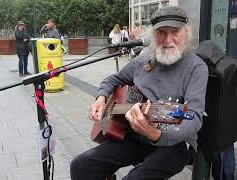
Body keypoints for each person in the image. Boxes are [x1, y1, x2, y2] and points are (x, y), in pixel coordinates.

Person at [70, 6, 209, 180]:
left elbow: (193, 118)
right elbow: (112, 80)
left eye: (175, 31)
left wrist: (156, 135)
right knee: (81, 166)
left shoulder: (196, 68)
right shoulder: (143, 60)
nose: (168, 39)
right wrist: (101, 98)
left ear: (186, 33)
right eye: (161, 32)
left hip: (173, 144)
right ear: (152, 35)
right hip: (132, 135)